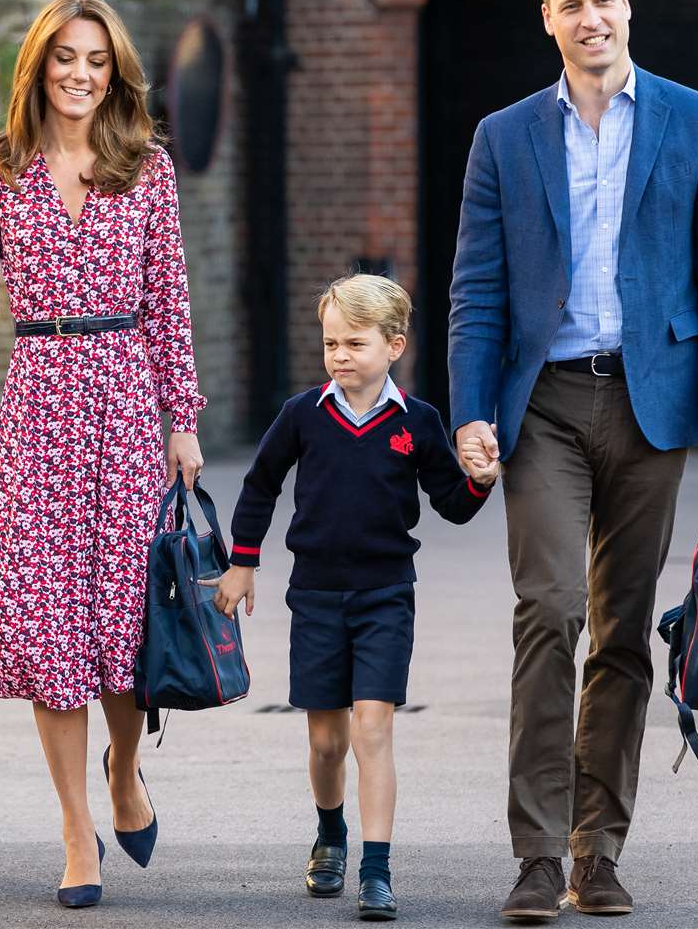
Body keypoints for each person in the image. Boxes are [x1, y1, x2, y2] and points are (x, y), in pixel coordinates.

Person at [448, 0, 698, 920]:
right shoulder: (503, 137)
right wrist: (468, 413)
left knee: (622, 634)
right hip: (540, 407)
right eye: (571, 4)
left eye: (605, 0)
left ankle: (599, 852)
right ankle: (537, 858)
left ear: (629, 6)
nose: (592, 18)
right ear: (549, 19)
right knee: (549, 613)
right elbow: (476, 292)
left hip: (651, 408)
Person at [0, 0, 207, 910]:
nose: (81, 75)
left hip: (123, 399)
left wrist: (182, 416)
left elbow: (169, 299)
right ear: (37, 67)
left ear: (114, 73)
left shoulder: (146, 168)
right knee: (51, 632)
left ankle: (126, 770)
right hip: (38, 402)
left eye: (97, 61)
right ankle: (78, 832)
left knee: (121, 622)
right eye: (64, 58)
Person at [211, 273, 501, 922]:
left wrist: (480, 480)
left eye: (356, 343)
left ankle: (376, 870)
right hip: (314, 595)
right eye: (331, 343)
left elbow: (451, 505)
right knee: (325, 743)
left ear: (394, 345)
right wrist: (243, 565)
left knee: (374, 728)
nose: (341, 356)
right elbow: (259, 486)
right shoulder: (301, 415)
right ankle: (330, 832)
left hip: (386, 595)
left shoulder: (418, 422)